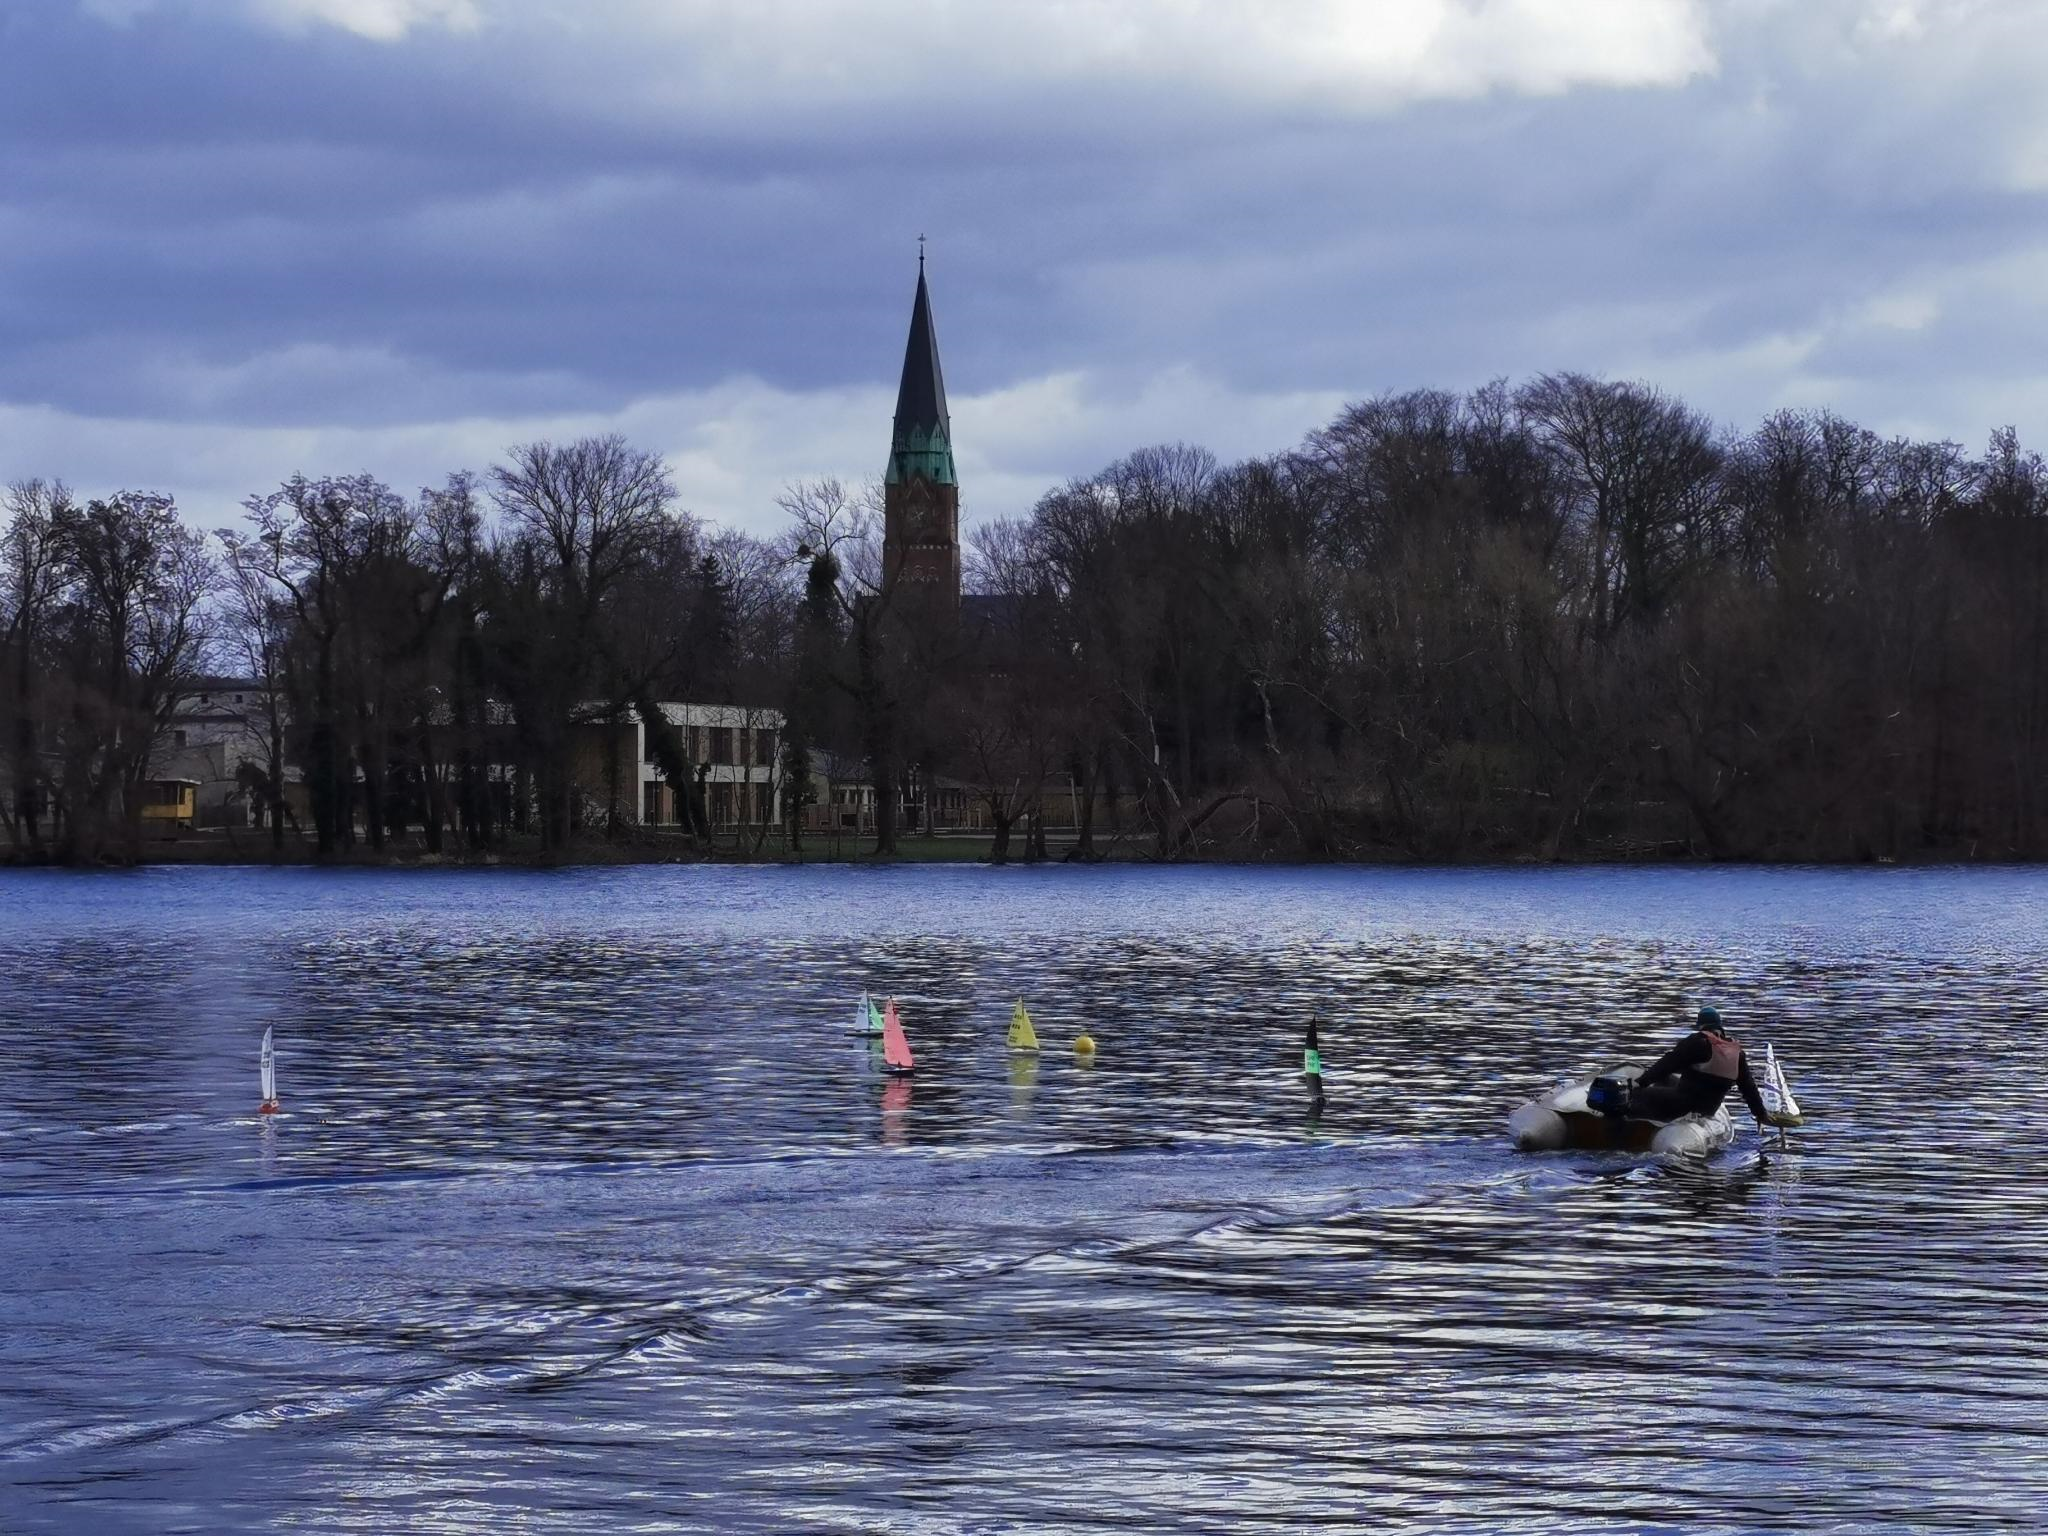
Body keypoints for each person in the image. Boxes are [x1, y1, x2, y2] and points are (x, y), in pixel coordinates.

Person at [1630, 1006, 1785, 1127]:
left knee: (1637, 1094)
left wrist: (1641, 1083)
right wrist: (1760, 1114)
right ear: (1720, 1026)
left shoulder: (1697, 1042)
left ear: (1701, 1025)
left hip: (1683, 1104)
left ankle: (1627, 1121)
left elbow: (1667, 1064)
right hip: (1709, 1108)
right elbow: (1748, 1087)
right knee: (1666, 1079)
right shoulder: (1737, 1053)